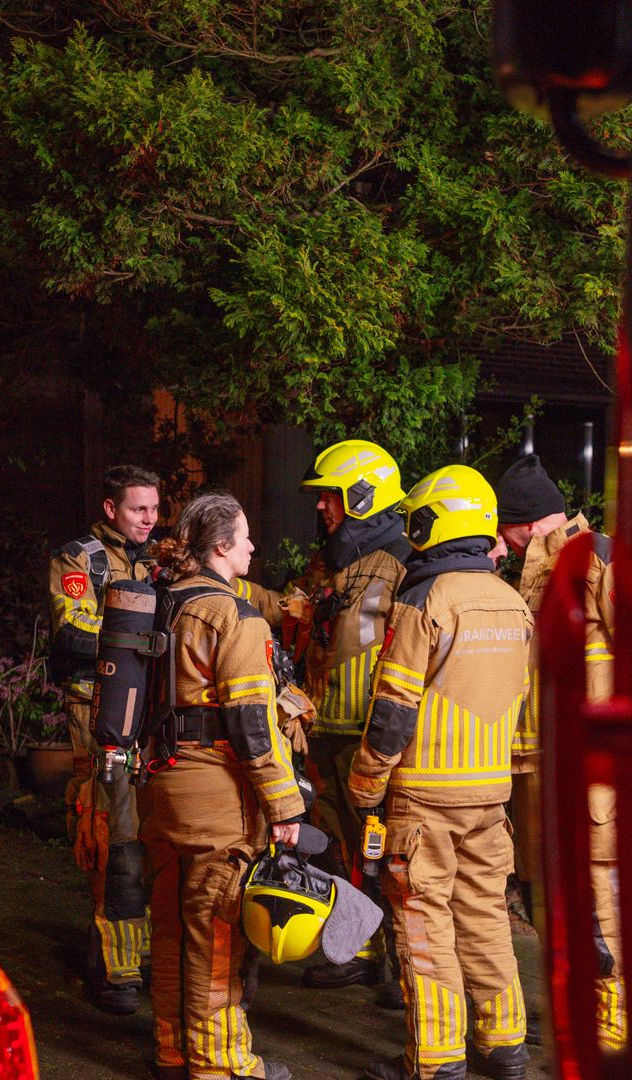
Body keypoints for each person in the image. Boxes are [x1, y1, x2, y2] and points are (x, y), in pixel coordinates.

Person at [349, 465, 532, 1080]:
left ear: (435, 524)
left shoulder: (425, 600)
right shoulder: (513, 601)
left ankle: (436, 1062)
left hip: (423, 798)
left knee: (425, 924)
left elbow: (394, 711)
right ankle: (506, 1046)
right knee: (484, 914)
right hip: (490, 793)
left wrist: (364, 784)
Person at [142, 492, 306, 1080]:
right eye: (244, 537)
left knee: (167, 927)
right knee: (215, 934)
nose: (254, 547)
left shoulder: (161, 602)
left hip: (161, 787)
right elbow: (251, 723)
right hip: (216, 800)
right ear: (220, 547)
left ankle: (171, 1051)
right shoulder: (233, 615)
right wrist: (284, 804)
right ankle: (221, 1065)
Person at [493, 453, 623, 1049]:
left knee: (600, 915)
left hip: (593, 781)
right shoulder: (531, 575)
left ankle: (613, 1034)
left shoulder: (596, 558)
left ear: (521, 524)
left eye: (502, 531)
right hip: (538, 781)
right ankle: (581, 1022)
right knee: (562, 909)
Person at [285, 439, 411, 1004]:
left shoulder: (403, 565)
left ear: (361, 496)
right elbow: (293, 611)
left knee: (380, 849)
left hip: (369, 733)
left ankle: (399, 960)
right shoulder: (329, 561)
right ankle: (357, 950)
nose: (320, 507)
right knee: (336, 845)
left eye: (329, 496)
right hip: (326, 728)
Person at [48, 464, 162, 1015]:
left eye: (156, 509)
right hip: (96, 708)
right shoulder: (80, 558)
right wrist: (149, 638)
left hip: (152, 715)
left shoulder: (162, 558)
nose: (150, 518)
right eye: (139, 508)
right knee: (112, 836)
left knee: (151, 836)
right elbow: (72, 632)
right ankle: (118, 970)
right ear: (112, 508)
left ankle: (145, 957)